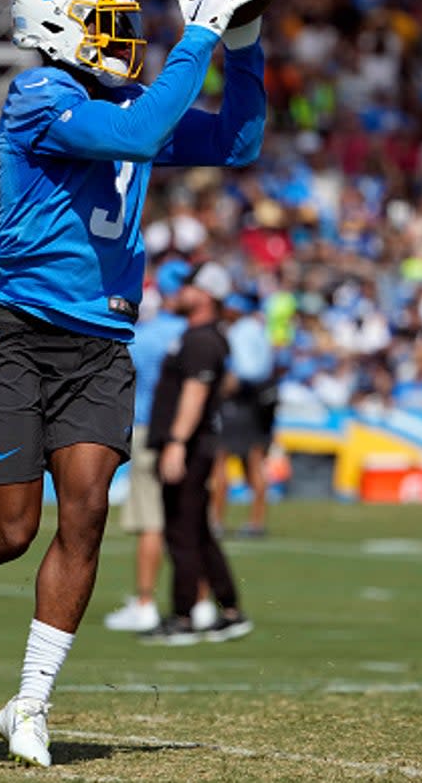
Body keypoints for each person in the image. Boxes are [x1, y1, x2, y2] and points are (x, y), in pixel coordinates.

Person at [0, 0, 267, 768]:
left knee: (86, 512)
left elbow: (238, 141)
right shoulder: (39, 94)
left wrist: (245, 48)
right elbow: (143, 130)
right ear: (54, 29)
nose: (121, 42)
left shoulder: (122, 99)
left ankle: (32, 703)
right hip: (12, 331)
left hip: (98, 341)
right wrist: (199, 41)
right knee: (12, 528)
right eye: (103, 25)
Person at [143, 262, 254, 645]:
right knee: (199, 532)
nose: (182, 292)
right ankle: (230, 610)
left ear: (205, 294)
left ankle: (183, 616)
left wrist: (175, 441)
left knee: (182, 531)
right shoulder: (197, 336)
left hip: (188, 447)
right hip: (190, 444)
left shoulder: (202, 340)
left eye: (190, 286)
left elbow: (195, 394)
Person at [104, 258, 216, 633]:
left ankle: (146, 602)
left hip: (155, 430)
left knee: (151, 521)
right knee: (190, 522)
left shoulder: (150, 334)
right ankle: (200, 602)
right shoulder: (196, 332)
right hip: (196, 434)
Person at [209, 291, 277, 538]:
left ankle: (216, 520)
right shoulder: (257, 329)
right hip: (257, 402)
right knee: (255, 459)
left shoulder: (240, 332)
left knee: (221, 459)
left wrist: (226, 383)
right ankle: (256, 521)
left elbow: (245, 370)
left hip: (239, 402)